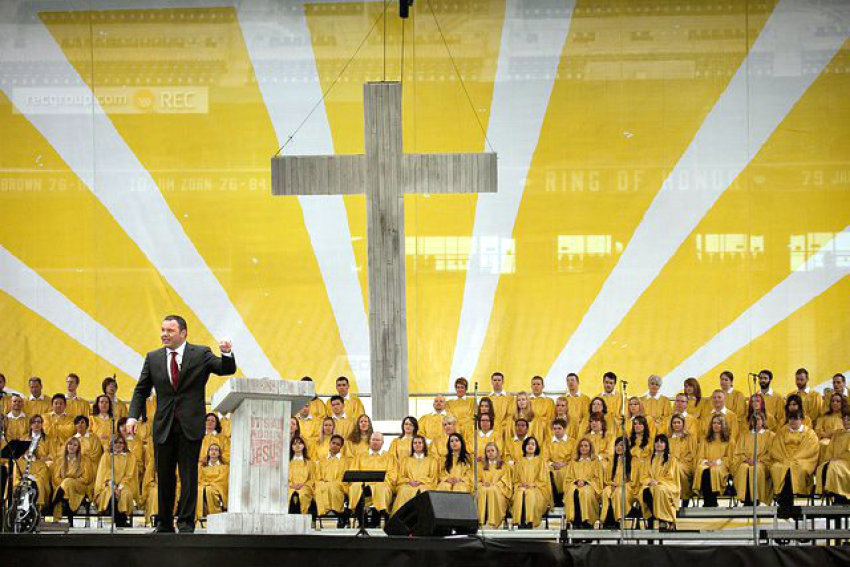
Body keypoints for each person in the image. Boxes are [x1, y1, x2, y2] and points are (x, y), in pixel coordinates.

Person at [126, 314, 236, 533]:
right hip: (164, 426)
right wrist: (132, 416)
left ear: (183, 333)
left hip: (190, 425)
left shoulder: (201, 354)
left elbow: (226, 369)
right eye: (163, 330)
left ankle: (186, 523)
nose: (165, 334)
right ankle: (164, 524)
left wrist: (226, 353)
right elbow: (141, 389)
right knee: (164, 477)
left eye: (170, 331)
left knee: (188, 476)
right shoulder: (153, 357)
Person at [770, 410, 819, 509]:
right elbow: (777, 447)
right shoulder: (783, 431)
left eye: (796, 419)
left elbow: (809, 449)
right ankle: (785, 502)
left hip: (802, 460)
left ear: (801, 419)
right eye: (791, 419)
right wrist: (786, 459)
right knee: (777, 468)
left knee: (796, 469)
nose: (793, 421)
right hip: (784, 459)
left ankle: (785, 504)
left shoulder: (809, 433)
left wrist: (794, 459)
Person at [349, 432, 394, 526]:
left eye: (378, 440)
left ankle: (375, 522)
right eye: (373, 439)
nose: (375, 442)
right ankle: (362, 522)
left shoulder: (389, 457)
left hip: (381, 484)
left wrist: (379, 480)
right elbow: (354, 471)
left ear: (382, 443)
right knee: (355, 488)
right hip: (363, 483)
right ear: (369, 441)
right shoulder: (360, 456)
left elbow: (392, 474)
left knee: (381, 490)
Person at [94, 435, 138, 527]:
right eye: (115, 442)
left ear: (124, 444)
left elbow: (129, 474)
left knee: (125, 494)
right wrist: (114, 487)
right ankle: (120, 520)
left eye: (121, 443)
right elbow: (105, 472)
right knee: (110, 494)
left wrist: (120, 487)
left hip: (125, 484)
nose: (118, 445)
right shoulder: (106, 455)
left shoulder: (130, 457)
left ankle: (121, 519)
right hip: (108, 485)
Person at [48, 436, 94, 524]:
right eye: (70, 444)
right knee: (66, 488)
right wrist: (68, 482)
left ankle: (54, 504)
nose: (72, 447)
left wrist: (70, 480)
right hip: (64, 487)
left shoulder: (85, 461)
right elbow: (56, 478)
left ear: (78, 448)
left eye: (75, 445)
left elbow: (86, 479)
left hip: (80, 487)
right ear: (66, 446)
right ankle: (70, 518)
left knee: (67, 482)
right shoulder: (60, 461)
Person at [732, 413, 774, 506]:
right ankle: (746, 499)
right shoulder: (744, 435)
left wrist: (758, 460)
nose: (756, 422)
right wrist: (746, 459)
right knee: (743, 468)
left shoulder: (770, 435)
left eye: (758, 419)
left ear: (763, 421)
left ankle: (756, 499)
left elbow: (771, 453)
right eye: (753, 420)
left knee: (755, 469)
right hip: (746, 461)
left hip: (762, 463)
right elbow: (738, 452)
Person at [639, 434, 680, 531]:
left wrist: (658, 482)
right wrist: (649, 481)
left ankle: (664, 519)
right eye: (657, 442)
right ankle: (654, 517)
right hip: (651, 484)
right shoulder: (649, 459)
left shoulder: (671, 459)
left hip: (667, 484)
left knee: (659, 490)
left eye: (662, 442)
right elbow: (644, 476)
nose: (659, 444)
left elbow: (670, 476)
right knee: (644, 491)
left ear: (666, 445)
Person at [693, 415, 734, 507]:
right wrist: (706, 462)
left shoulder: (729, 440)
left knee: (714, 471)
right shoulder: (705, 440)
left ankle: (712, 501)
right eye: (714, 423)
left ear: (723, 425)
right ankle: (708, 501)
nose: (716, 425)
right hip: (707, 463)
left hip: (721, 465)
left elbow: (730, 458)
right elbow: (700, 456)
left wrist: (717, 462)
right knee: (702, 469)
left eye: (719, 423)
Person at [510, 436, 550, 529]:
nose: (530, 446)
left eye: (533, 444)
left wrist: (533, 484)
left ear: (536, 447)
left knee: (530, 493)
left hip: (537, 489)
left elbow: (544, 480)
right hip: (522, 487)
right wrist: (520, 484)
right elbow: (515, 480)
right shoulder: (519, 461)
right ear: (524, 446)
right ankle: (520, 522)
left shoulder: (541, 461)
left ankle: (530, 522)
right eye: (528, 444)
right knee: (520, 493)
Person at [392, 435, 437, 514]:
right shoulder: (405, 460)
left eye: (420, 443)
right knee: (403, 490)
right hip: (408, 484)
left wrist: (420, 481)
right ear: (412, 445)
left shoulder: (432, 460)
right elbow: (401, 476)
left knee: (424, 492)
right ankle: (400, 517)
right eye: (415, 443)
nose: (417, 445)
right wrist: (409, 481)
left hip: (425, 485)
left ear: (424, 445)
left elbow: (433, 477)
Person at [563, 438, 603, 529]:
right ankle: (576, 522)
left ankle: (587, 522)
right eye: (581, 446)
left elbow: (598, 479)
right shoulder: (574, 462)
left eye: (586, 446)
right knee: (573, 491)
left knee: (585, 492)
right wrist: (576, 482)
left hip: (590, 486)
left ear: (590, 448)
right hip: (575, 485)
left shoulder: (596, 462)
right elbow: (568, 478)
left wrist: (586, 482)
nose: (583, 448)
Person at [600, 437, 638, 529]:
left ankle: (616, 520)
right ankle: (606, 520)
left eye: (621, 445)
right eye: (616, 445)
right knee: (606, 491)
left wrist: (620, 485)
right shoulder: (612, 460)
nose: (618, 447)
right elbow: (607, 479)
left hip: (627, 488)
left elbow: (633, 480)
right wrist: (612, 484)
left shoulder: (633, 460)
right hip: (613, 486)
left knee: (618, 493)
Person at [315, 434, 351, 528]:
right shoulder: (322, 460)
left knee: (334, 487)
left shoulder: (345, 461)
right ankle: (321, 514)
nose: (335, 445)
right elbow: (318, 476)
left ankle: (339, 513)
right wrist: (323, 482)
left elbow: (345, 478)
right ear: (329, 444)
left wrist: (333, 483)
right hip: (323, 484)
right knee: (320, 488)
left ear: (341, 447)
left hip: (339, 484)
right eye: (333, 443)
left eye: (338, 444)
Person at [476, 442, 511, 528]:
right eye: (488, 451)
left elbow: (506, 481)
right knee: (483, 490)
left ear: (497, 452)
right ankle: (481, 521)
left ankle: (494, 521)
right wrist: (482, 484)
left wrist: (494, 484)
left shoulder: (504, 465)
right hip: (484, 488)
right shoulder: (480, 465)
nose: (490, 453)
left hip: (498, 490)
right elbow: (477, 480)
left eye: (492, 450)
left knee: (492, 490)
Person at [819, 411, 850, 502]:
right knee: (823, 467)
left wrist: (839, 459)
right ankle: (832, 495)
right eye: (844, 419)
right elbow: (830, 450)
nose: (846, 421)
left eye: (848, 419)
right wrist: (830, 459)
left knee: (834, 467)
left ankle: (840, 498)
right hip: (836, 461)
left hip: (847, 463)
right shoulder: (837, 433)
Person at [668, 414, 697, 506]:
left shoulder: (690, 437)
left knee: (678, 470)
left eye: (678, 422)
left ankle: (685, 497)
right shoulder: (668, 438)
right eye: (674, 422)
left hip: (686, 463)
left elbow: (693, 453)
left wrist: (679, 461)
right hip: (670, 463)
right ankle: (669, 500)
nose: (676, 425)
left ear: (683, 424)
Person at [546, 418, 575, 507]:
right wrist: (553, 464)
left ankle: (565, 498)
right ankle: (554, 499)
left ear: (565, 429)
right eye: (555, 429)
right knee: (548, 472)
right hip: (553, 466)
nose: (557, 431)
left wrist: (565, 464)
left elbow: (575, 457)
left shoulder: (572, 442)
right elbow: (544, 458)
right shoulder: (548, 443)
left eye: (559, 428)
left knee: (565, 472)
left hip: (567, 465)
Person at [196, 443, 228, 520]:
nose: (214, 452)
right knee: (199, 490)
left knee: (209, 490)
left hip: (217, 488)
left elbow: (222, 480)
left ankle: (215, 515)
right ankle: (200, 515)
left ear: (219, 453)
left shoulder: (224, 467)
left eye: (216, 450)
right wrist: (206, 484)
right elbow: (200, 479)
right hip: (205, 486)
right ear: (208, 452)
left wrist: (209, 484)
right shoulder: (203, 467)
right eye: (211, 449)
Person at [288, 435, 316, 515]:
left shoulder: (310, 463)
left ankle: (303, 517)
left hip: (305, 487)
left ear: (303, 446)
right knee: (289, 495)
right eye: (294, 444)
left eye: (299, 443)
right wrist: (291, 485)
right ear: (291, 447)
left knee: (303, 494)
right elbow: (283, 478)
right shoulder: (287, 463)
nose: (297, 446)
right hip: (289, 487)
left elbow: (312, 479)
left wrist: (303, 485)